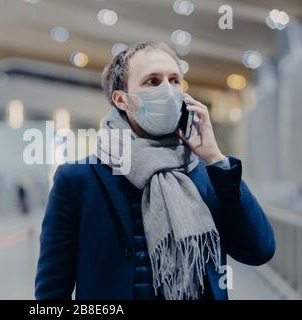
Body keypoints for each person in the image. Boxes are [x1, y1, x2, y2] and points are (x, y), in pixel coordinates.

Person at [35, 41, 276, 300]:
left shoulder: (205, 173)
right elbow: (52, 291)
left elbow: (258, 250)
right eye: (153, 81)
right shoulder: (78, 179)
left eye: (174, 80)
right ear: (121, 99)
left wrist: (216, 158)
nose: (168, 90)